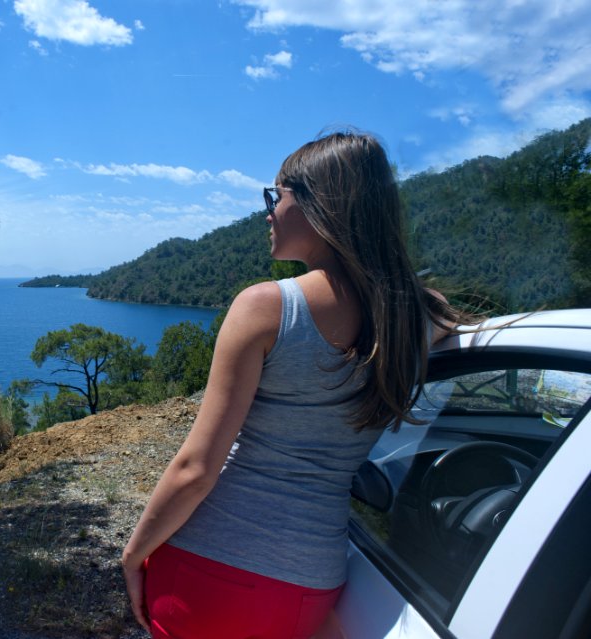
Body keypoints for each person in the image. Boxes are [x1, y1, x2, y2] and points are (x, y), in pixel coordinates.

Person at [121, 131, 471, 639]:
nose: (267, 212)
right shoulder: (419, 315)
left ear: (321, 205)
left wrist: (134, 554)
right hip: (313, 586)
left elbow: (197, 468)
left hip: (211, 570)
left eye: (276, 195)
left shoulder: (266, 308)